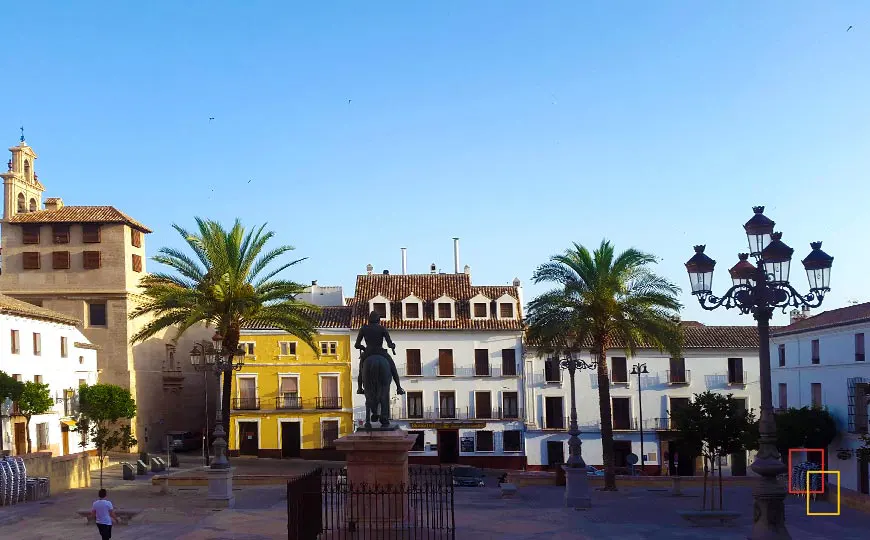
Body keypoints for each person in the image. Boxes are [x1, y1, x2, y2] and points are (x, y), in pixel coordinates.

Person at [355, 311, 404, 395]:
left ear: (369, 319)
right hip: (380, 352)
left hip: (368, 352)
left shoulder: (363, 329)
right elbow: (389, 344)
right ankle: (399, 387)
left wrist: (363, 348)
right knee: (392, 367)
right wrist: (393, 345)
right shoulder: (382, 328)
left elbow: (356, 345)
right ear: (378, 320)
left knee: (361, 371)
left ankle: (359, 388)